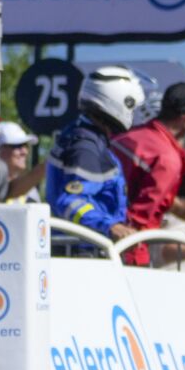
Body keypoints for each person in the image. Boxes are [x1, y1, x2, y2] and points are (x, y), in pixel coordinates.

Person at [112, 81, 185, 264]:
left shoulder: (130, 136)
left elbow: (181, 209)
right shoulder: (167, 159)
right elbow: (141, 220)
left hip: (100, 237)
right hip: (127, 251)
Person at [48, 66, 143, 240]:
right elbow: (70, 202)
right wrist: (109, 226)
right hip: (84, 253)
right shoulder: (86, 148)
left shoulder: (84, 136)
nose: (132, 113)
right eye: (130, 106)